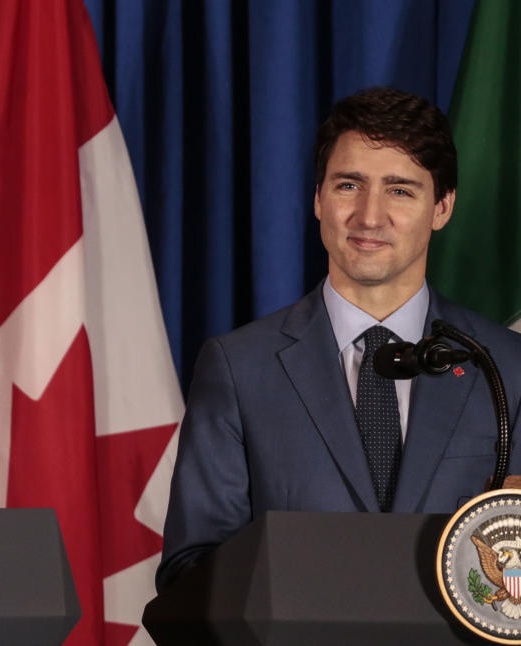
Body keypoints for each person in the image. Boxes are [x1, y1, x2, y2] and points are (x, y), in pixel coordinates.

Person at [157, 87, 521, 590]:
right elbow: (189, 571)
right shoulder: (240, 367)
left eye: (400, 190)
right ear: (318, 199)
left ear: (442, 208)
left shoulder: (506, 367)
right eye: (349, 185)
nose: (369, 217)